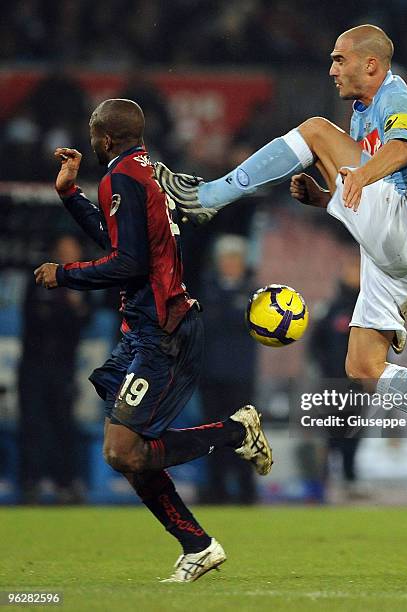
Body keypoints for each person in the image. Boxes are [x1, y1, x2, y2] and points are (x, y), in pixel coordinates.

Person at [154, 25, 407, 494]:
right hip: (396, 251)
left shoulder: (399, 98)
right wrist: (324, 198)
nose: (332, 68)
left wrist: (359, 178)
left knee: (315, 129)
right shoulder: (360, 116)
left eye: (340, 59)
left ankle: (208, 196)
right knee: (363, 366)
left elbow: (398, 151)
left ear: (371, 65)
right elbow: (364, 183)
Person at [33, 98, 273, 583]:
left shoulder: (121, 176)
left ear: (103, 139)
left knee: (124, 451)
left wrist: (66, 274)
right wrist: (70, 196)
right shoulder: (149, 172)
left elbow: (128, 264)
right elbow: (120, 240)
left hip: (161, 331)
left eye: (92, 134)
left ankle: (235, 432)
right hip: (147, 329)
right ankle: (197, 545)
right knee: (126, 450)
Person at [18, 235, 89, 504]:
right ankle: (31, 483)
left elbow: (85, 320)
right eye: (64, 251)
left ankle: (65, 483)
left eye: (73, 250)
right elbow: (32, 318)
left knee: (63, 425)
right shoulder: (38, 278)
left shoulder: (84, 283)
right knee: (33, 424)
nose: (68, 254)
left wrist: (73, 304)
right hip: (34, 364)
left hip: (63, 366)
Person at [199, 235, 258, 504]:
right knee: (212, 432)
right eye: (226, 259)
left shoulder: (255, 293)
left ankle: (247, 489)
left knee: (244, 432)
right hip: (211, 373)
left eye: (235, 259)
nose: (231, 264)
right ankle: (216, 488)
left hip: (241, 374)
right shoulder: (206, 289)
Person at [309, 256, 367, 500]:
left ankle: (350, 478)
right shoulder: (331, 309)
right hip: (333, 383)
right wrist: (328, 370)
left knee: (354, 432)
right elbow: (314, 345)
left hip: (359, 383)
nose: (354, 275)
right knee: (330, 431)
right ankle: (323, 481)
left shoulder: (371, 308)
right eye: (350, 269)